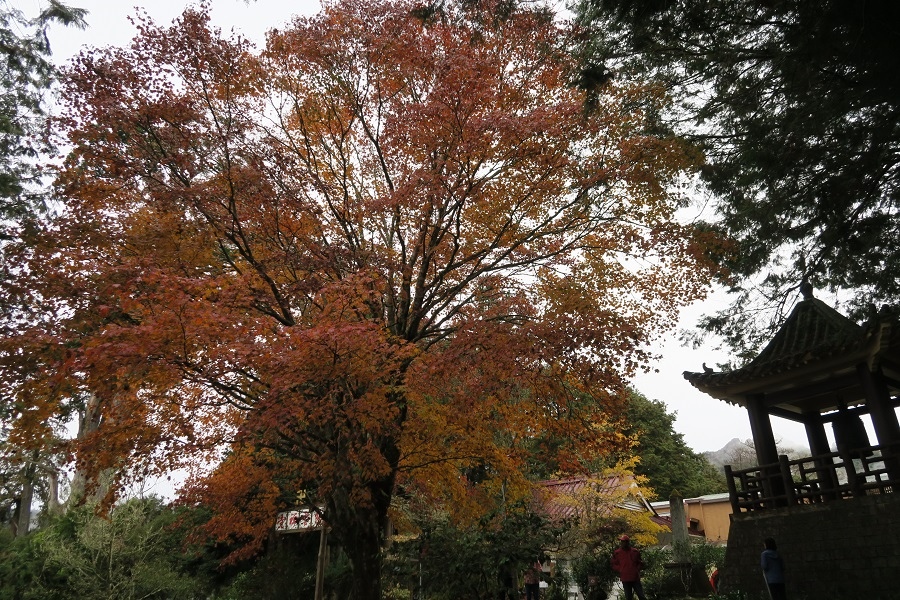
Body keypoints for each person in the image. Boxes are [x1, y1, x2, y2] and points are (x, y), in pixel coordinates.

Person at [611, 535, 647, 600]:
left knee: (641, 596)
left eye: (623, 541)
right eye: (621, 541)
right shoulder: (617, 553)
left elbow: (640, 562)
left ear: (627, 542)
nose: (621, 543)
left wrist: (637, 569)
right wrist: (620, 569)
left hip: (635, 577)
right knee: (628, 597)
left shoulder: (635, 552)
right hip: (625, 578)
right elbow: (614, 564)